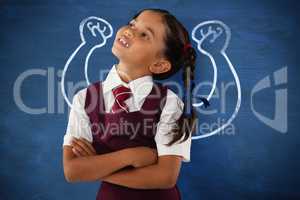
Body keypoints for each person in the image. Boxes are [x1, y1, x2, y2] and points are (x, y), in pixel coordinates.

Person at [62, 8, 197, 200]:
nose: (129, 30)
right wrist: (131, 156)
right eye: (133, 23)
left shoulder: (169, 103)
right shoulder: (83, 99)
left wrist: (94, 168)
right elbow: (72, 171)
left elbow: (165, 176)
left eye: (144, 34)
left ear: (159, 65)